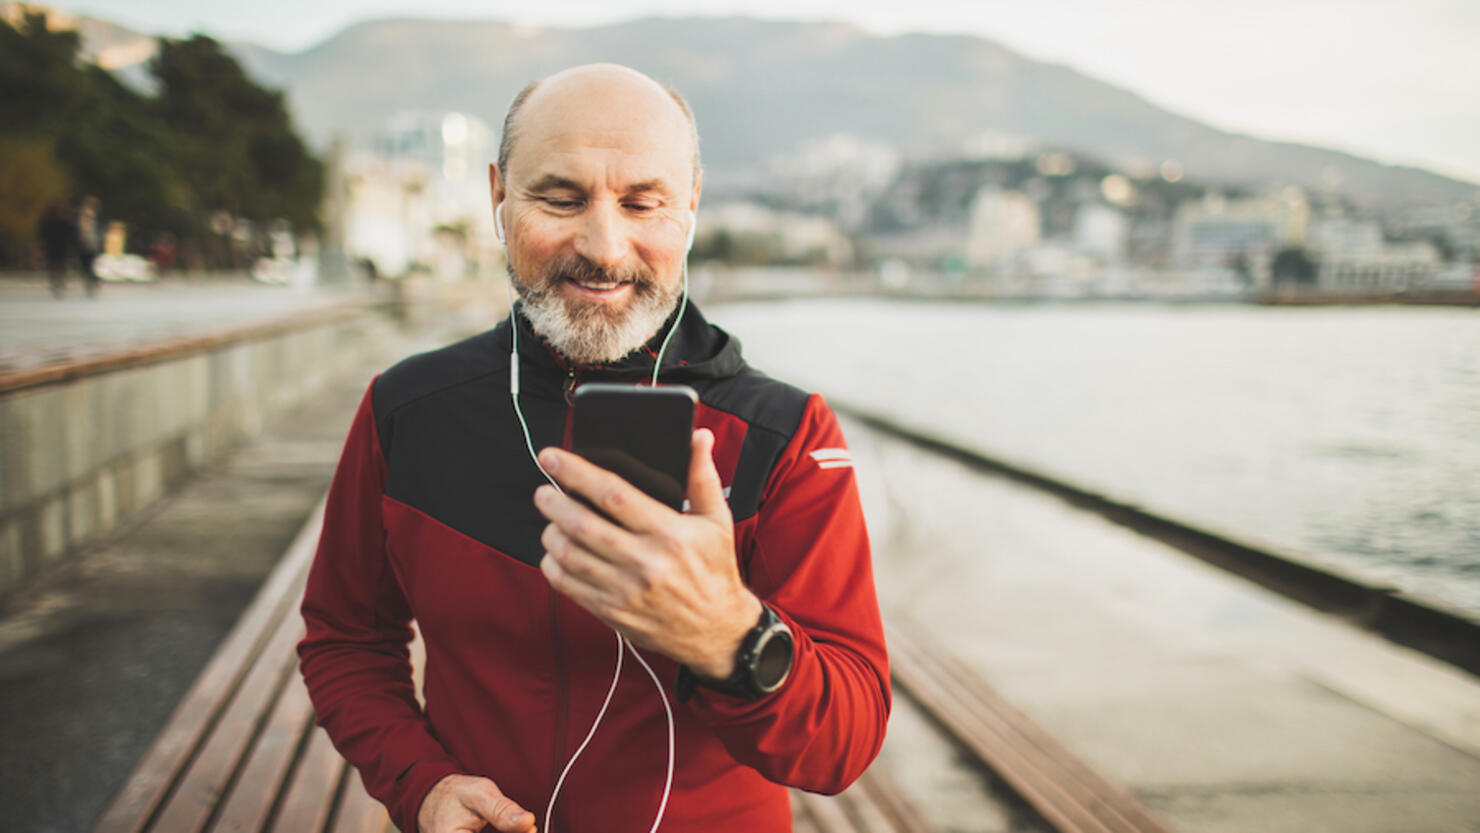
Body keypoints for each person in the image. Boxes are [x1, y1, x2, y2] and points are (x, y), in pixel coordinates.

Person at [297, 63, 889, 833]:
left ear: (691, 207)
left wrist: (731, 636)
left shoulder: (788, 436)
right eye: (561, 198)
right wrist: (421, 783)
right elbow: (346, 638)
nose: (605, 247)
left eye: (644, 202)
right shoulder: (406, 409)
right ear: (497, 197)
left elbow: (842, 746)